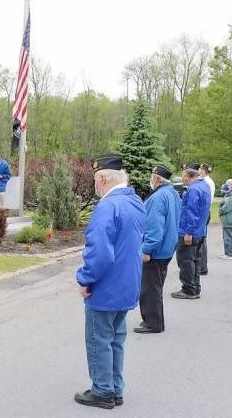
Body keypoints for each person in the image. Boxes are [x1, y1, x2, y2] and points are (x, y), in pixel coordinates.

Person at [74, 154, 146, 409]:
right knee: (115, 338)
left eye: (96, 179)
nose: (95, 184)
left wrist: (85, 279)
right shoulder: (135, 201)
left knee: (98, 338)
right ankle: (115, 388)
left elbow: (100, 252)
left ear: (103, 178)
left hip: (107, 286)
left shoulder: (107, 206)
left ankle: (102, 390)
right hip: (127, 283)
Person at [135, 166, 181, 334]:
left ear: (156, 179)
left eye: (152, 177)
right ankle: (155, 321)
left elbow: (155, 229)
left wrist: (147, 249)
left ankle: (152, 323)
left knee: (150, 288)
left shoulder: (158, 197)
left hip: (157, 251)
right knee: (155, 286)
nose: (151, 180)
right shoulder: (172, 193)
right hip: (167, 248)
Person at [171, 164, 211, 300]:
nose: (183, 179)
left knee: (185, 261)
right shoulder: (204, 186)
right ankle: (195, 288)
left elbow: (192, 212)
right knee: (196, 260)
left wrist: (188, 232)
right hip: (200, 231)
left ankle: (188, 289)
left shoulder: (193, 189)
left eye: (183, 176)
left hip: (190, 232)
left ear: (187, 176)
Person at [197, 163, 215, 276]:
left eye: (200, 169)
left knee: (201, 240)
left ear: (204, 171)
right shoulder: (207, 181)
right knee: (201, 239)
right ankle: (202, 266)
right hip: (205, 211)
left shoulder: (207, 182)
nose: (199, 171)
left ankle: (202, 266)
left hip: (203, 212)